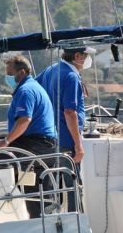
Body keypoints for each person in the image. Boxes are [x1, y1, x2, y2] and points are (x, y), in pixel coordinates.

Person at [0, 54, 58, 218]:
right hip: (44, 145)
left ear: (21, 72)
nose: (7, 77)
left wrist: (6, 141)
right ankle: (43, 221)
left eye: (9, 73)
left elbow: (24, 120)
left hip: (37, 145)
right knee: (36, 191)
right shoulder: (32, 87)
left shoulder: (25, 91)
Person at [36, 46, 95, 211]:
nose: (88, 59)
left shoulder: (51, 69)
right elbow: (70, 112)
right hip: (66, 140)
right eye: (86, 55)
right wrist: (78, 145)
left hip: (49, 137)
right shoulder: (71, 76)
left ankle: (50, 219)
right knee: (73, 184)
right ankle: (76, 222)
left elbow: (33, 87)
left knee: (51, 183)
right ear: (77, 56)